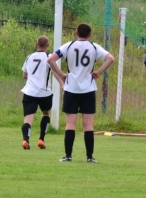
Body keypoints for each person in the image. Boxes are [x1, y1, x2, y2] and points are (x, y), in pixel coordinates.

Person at [48, 23, 114, 163]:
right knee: (88, 124)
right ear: (90, 34)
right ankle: (90, 157)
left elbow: (51, 59)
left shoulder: (68, 46)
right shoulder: (94, 47)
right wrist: (98, 72)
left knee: (70, 124)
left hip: (71, 88)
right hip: (88, 89)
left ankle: (68, 155)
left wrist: (61, 74)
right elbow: (111, 58)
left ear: (76, 33)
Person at [21, 36, 63, 150]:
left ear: (36, 44)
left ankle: (25, 140)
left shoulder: (29, 57)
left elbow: (24, 75)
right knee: (46, 114)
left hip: (29, 92)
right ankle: (41, 139)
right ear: (48, 45)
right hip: (44, 93)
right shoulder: (49, 57)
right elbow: (55, 72)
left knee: (28, 119)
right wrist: (62, 84)